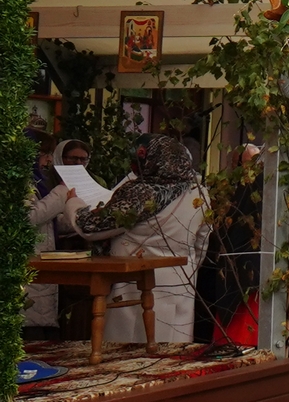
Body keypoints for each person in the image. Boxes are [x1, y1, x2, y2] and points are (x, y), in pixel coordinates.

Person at [71, 134, 211, 345]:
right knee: (172, 355)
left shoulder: (143, 193)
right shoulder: (200, 193)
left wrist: (73, 203)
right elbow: (201, 243)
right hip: (180, 282)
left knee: (126, 354)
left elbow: (91, 228)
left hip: (133, 282)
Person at [26, 138, 86, 331]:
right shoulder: (18, 181)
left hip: (42, 259)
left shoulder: (35, 179)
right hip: (29, 261)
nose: (48, 160)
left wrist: (78, 218)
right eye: (44, 155)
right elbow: (28, 217)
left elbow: (50, 222)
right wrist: (62, 192)